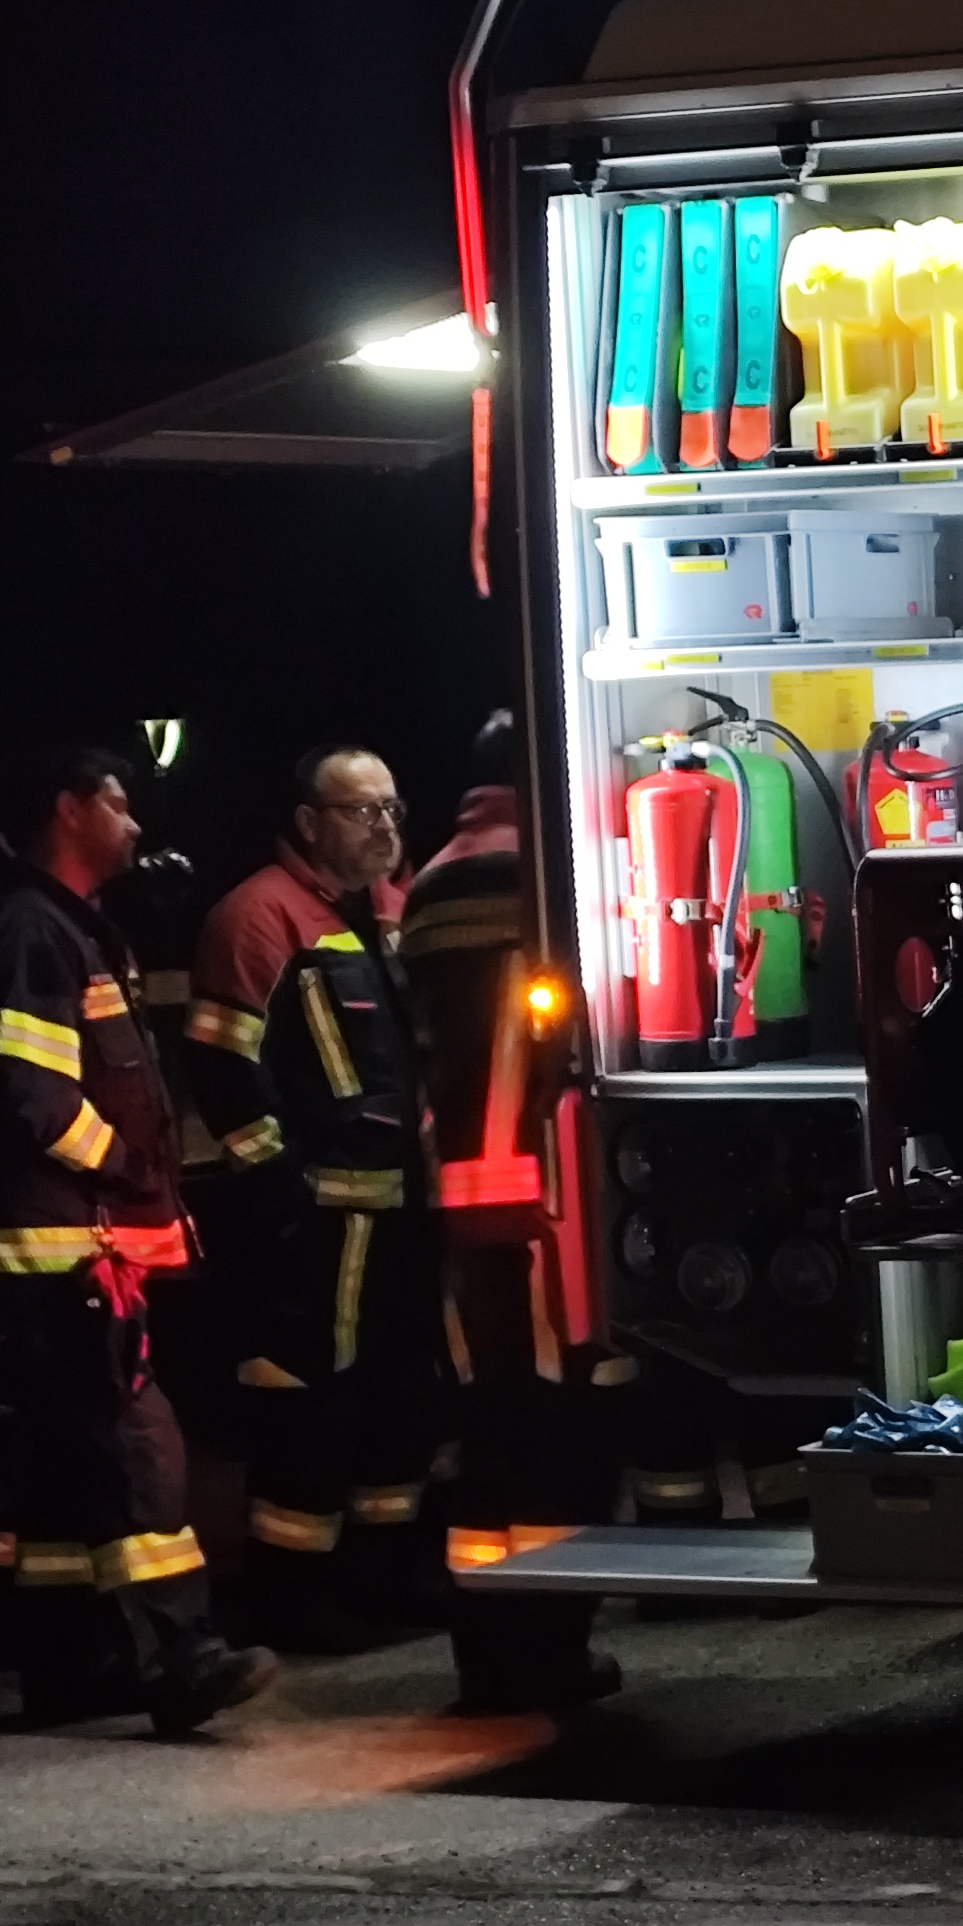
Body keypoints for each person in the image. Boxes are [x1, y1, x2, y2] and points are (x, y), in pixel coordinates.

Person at [0, 747, 277, 1731]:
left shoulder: (54, 925)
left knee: (60, 1470)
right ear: (69, 810)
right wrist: (124, 1170)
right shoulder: (36, 931)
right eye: (120, 804)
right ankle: (184, 1654)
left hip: (52, 1250)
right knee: (137, 1447)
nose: (136, 825)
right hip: (70, 1248)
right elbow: (39, 1098)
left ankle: (70, 1668)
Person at [185, 744, 440, 1650]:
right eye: (361, 811)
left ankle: (384, 1579)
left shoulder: (395, 910)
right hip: (317, 1222)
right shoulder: (257, 917)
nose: (384, 827)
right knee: (307, 1401)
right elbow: (222, 1069)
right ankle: (294, 1597)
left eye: (392, 809)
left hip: (404, 1211)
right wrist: (278, 1187)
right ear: (307, 822)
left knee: (402, 1394)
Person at [402, 713, 625, 1713]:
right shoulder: (535, 875)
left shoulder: (433, 879)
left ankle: (486, 1655)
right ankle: (545, 1651)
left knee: (489, 1430)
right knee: (558, 1436)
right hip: (541, 1202)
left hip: (460, 1198)